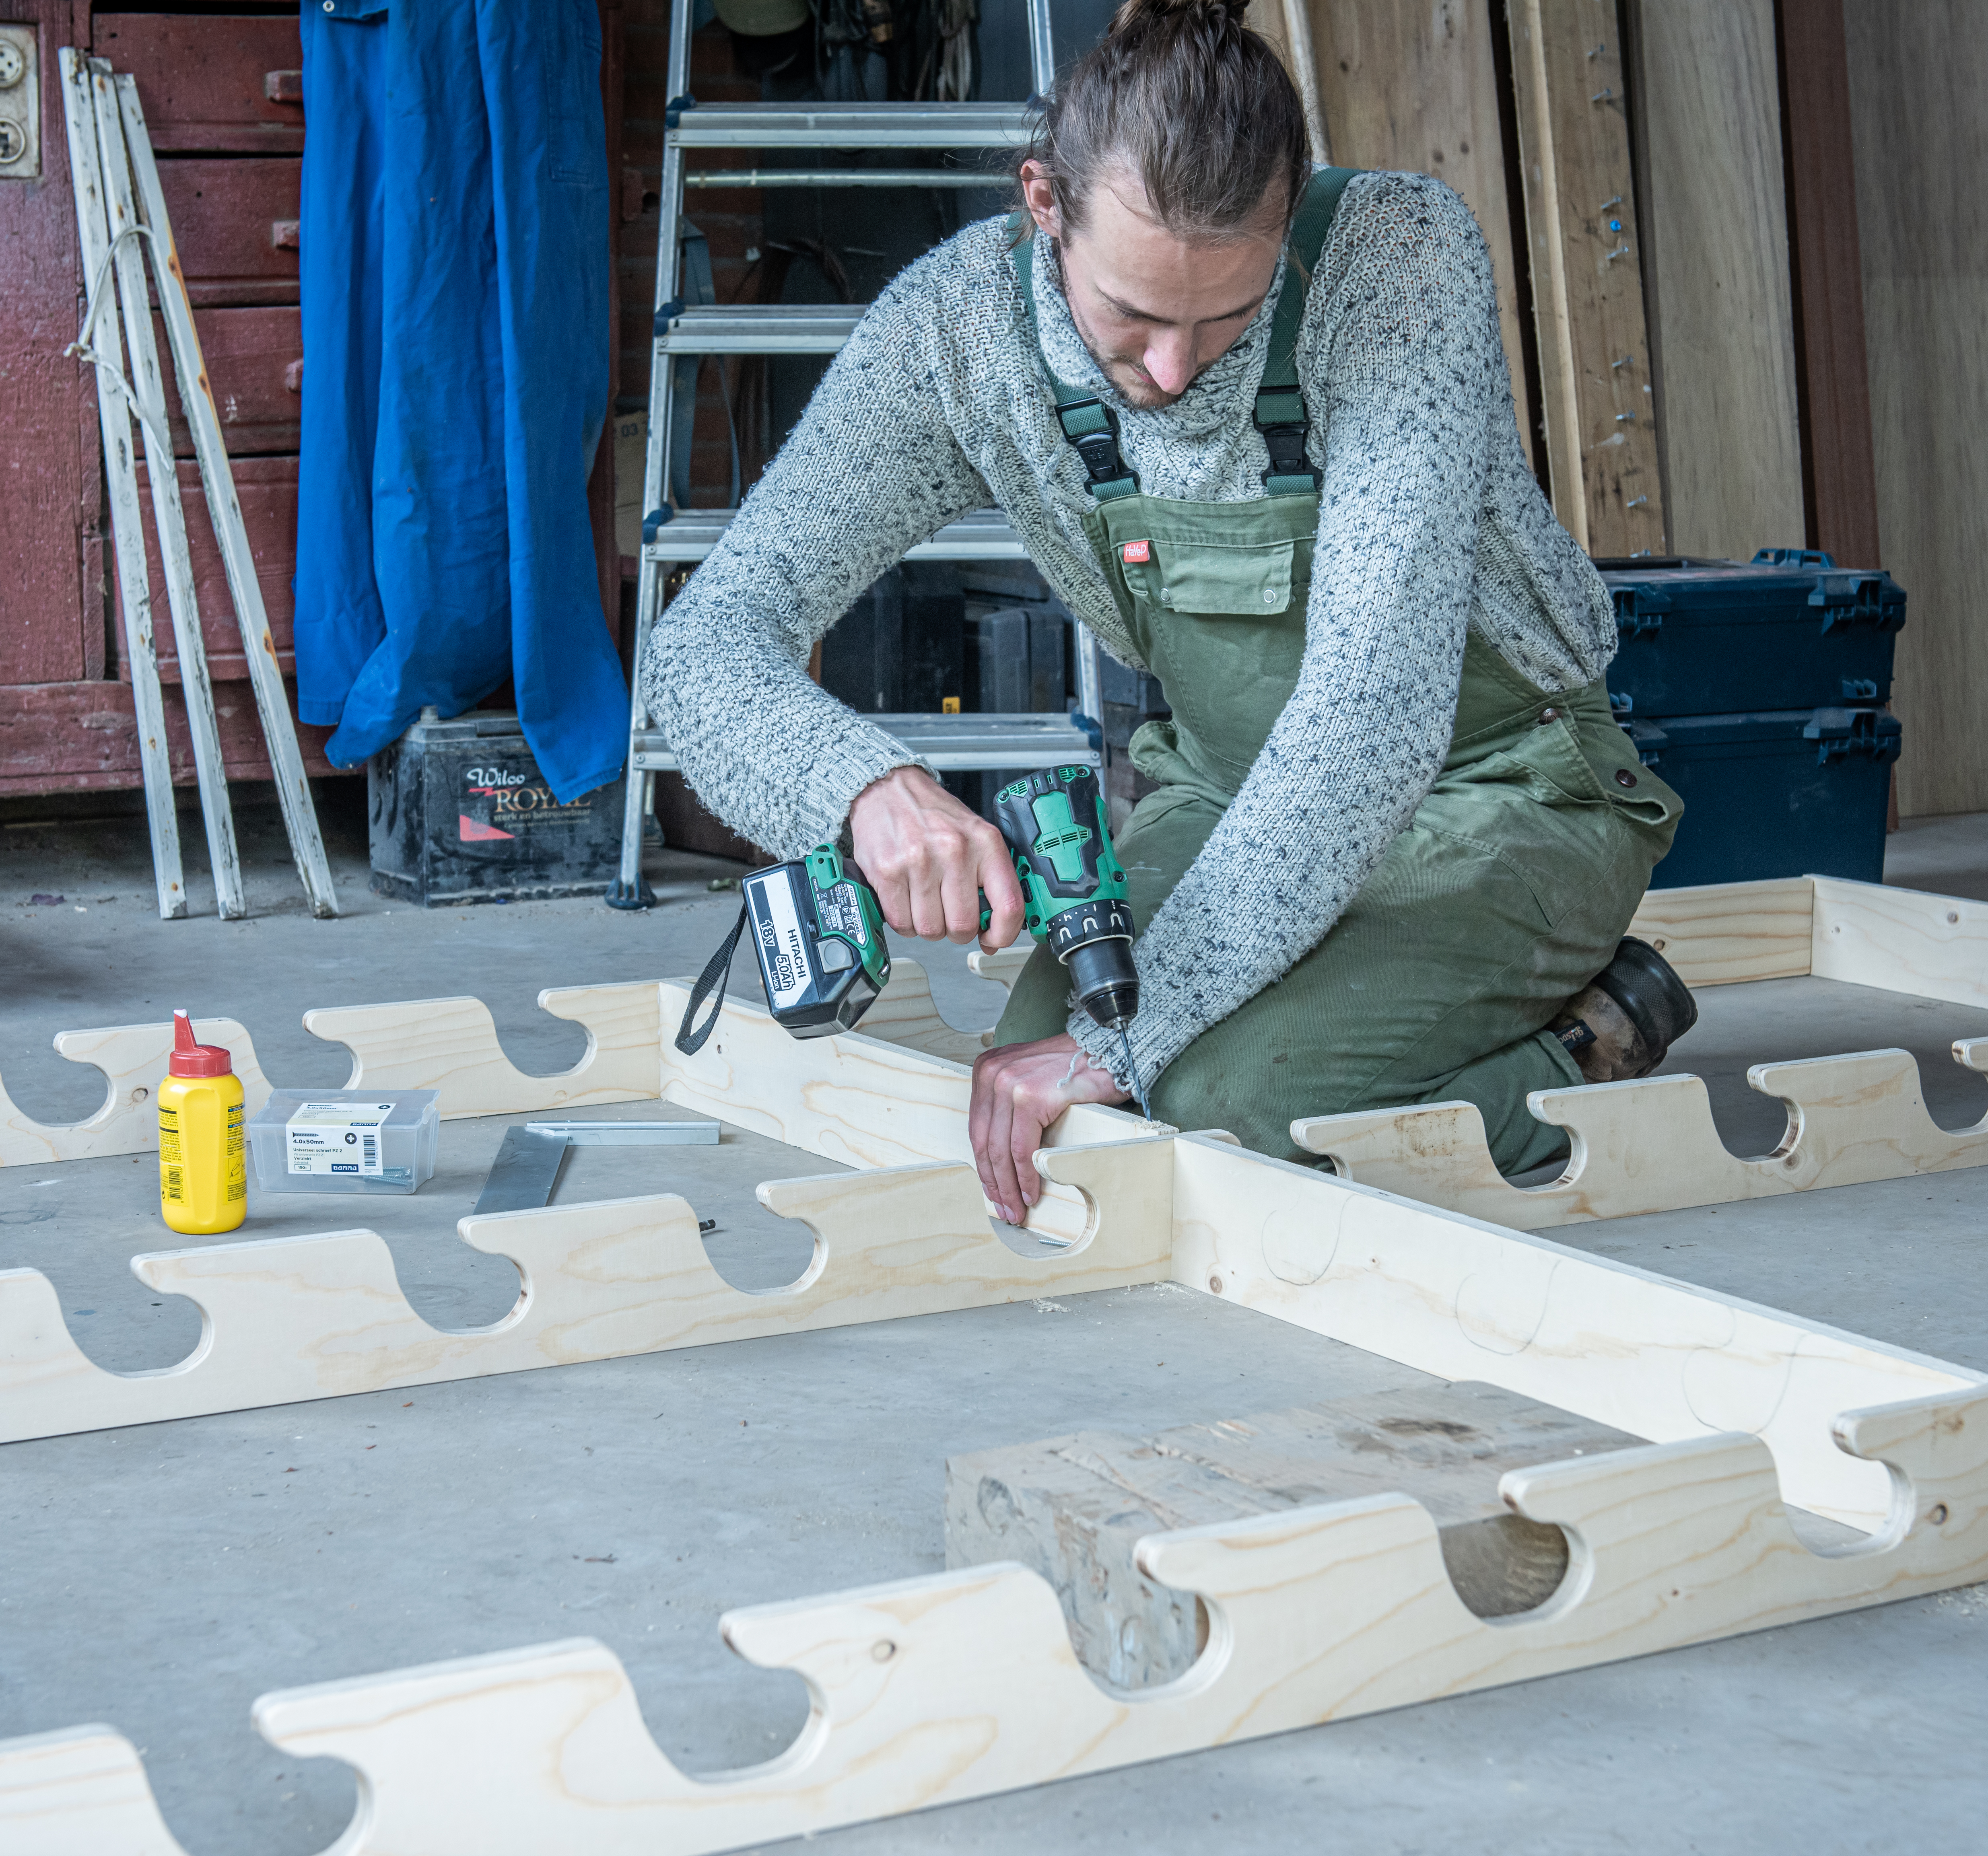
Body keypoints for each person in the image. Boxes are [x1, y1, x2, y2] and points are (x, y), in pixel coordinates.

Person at [646, 0, 1695, 1223]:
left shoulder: (1397, 258)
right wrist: (860, 790)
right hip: (1230, 794)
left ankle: (1592, 1035)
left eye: (1228, 319)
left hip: (1500, 792)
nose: (1173, 372)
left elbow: (1373, 714)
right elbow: (705, 647)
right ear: (1045, 203)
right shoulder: (959, 333)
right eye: (1130, 317)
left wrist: (1142, 1043)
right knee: (1055, 1101)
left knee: (1223, 1103)